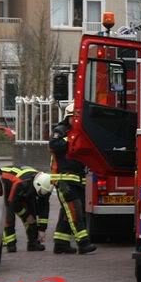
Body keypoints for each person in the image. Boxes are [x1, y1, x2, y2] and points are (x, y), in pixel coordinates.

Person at [49, 102, 96, 255]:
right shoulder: (60, 131)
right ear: (67, 118)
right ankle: (83, 243)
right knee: (75, 210)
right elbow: (54, 145)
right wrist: (71, 138)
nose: (76, 121)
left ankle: (61, 243)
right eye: (73, 118)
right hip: (63, 180)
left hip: (77, 180)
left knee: (68, 212)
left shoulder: (81, 133)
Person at [0, 167, 52, 252]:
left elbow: (44, 207)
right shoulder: (21, 183)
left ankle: (33, 243)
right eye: (38, 194)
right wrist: (26, 215)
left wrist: (42, 229)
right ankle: (11, 244)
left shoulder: (45, 184)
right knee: (9, 215)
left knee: (32, 214)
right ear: (36, 185)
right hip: (5, 186)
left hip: (24, 189)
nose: (39, 196)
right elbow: (13, 204)